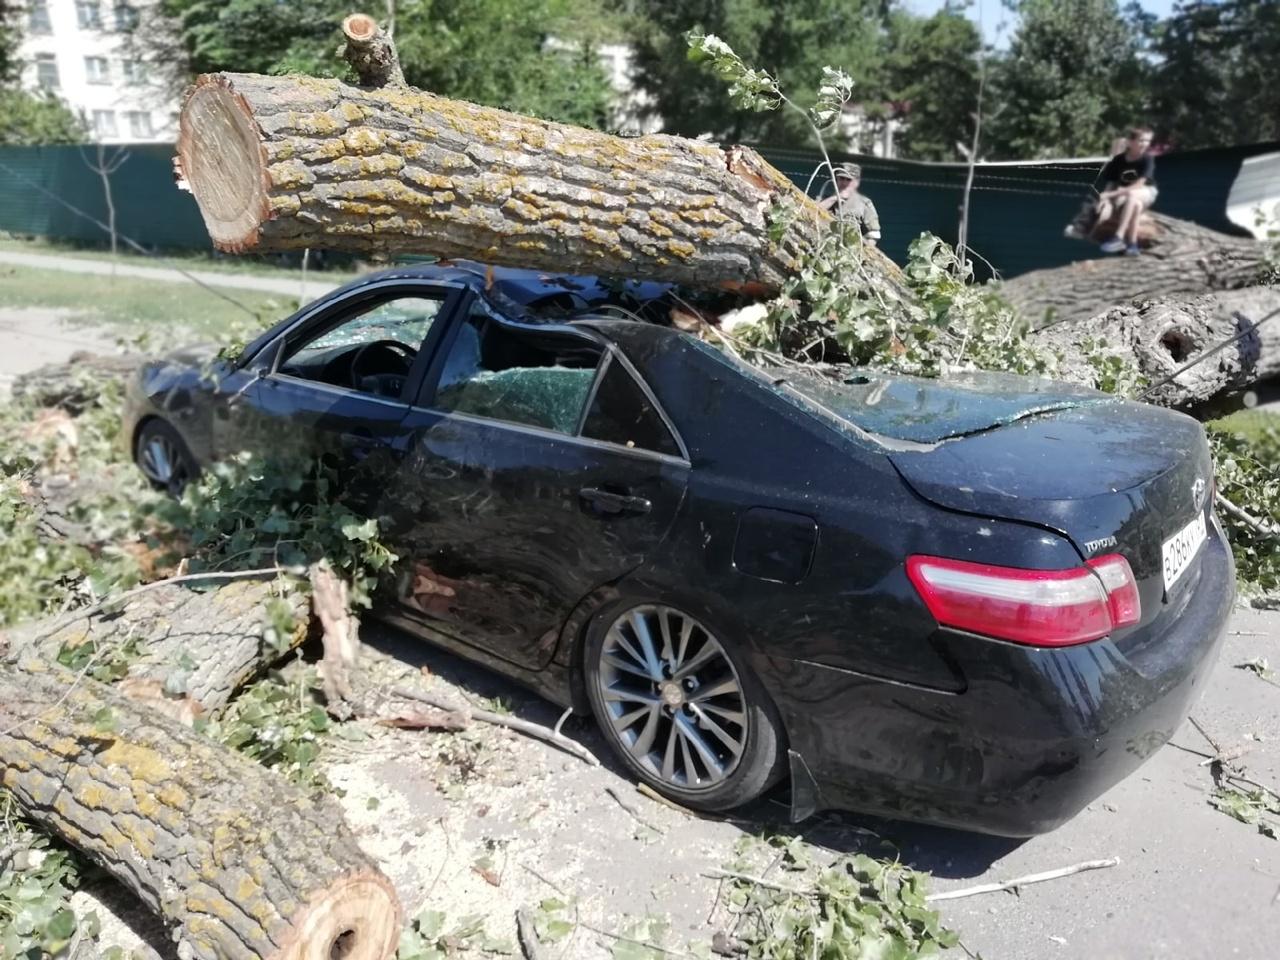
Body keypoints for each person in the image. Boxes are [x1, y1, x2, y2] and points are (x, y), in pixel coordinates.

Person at [1096, 127, 1157, 256]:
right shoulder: (1118, 160)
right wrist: (1105, 199)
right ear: (1130, 142)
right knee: (1136, 205)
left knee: (1132, 195)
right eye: (1141, 140)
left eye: (1148, 141)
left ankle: (1119, 236)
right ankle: (1133, 246)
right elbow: (1111, 182)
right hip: (1125, 194)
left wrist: (1112, 194)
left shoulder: (1147, 159)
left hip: (1146, 191)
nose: (1145, 144)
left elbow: (1140, 184)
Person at [818, 163, 882, 246]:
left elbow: (874, 234)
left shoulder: (864, 203)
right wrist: (835, 198)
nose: (844, 183)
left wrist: (862, 249)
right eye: (841, 178)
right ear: (836, 179)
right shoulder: (825, 197)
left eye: (848, 180)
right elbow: (812, 212)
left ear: (856, 182)